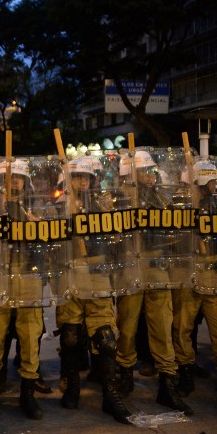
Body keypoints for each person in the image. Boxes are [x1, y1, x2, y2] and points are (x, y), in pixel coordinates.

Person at [115, 149, 193, 415]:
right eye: (143, 171)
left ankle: (167, 381)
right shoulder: (117, 197)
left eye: (150, 171)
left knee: (162, 324)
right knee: (126, 325)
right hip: (131, 265)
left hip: (158, 265)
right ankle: (124, 372)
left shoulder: (161, 197)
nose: (149, 176)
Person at [55, 157, 131, 423]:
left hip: (98, 272)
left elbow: (114, 240)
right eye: (77, 177)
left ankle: (111, 396)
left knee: (106, 338)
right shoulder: (58, 206)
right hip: (70, 272)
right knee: (71, 336)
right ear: (69, 179)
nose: (82, 182)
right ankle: (73, 387)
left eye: (86, 177)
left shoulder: (101, 205)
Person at [0, 159, 45, 421]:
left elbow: (51, 244)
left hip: (28, 276)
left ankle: (28, 391)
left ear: (25, 182)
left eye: (17, 178)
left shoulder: (38, 207)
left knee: (29, 336)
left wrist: (37, 226)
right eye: (8, 177)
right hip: (0, 276)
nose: (13, 182)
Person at [173, 159, 217, 396]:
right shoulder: (181, 205)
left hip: (212, 273)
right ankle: (185, 371)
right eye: (211, 181)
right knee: (183, 327)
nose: (214, 186)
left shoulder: (216, 204)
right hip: (189, 273)